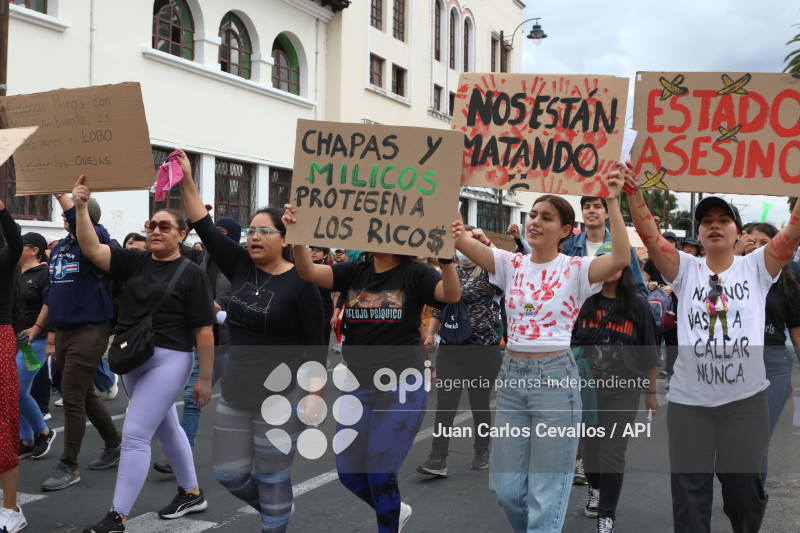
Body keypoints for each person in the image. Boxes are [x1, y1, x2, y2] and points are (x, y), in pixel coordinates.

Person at [452, 166, 631, 533]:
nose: (534, 221)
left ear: (566, 230)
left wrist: (613, 200)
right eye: (532, 214)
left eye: (546, 217)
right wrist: (446, 185)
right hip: (512, 380)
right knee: (506, 490)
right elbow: (458, 237)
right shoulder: (510, 263)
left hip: (555, 380)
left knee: (545, 494)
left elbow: (620, 260)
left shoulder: (577, 269)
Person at [624, 171, 800, 532]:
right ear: (700, 233)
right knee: (690, 495)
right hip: (691, 406)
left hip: (745, 405)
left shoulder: (757, 267)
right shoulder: (685, 269)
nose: (714, 226)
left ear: (738, 232)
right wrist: (632, 191)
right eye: (707, 222)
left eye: (723, 221)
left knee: (743, 495)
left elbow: (793, 233)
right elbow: (651, 238)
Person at [283, 204, 460, 533]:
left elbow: (449, 294)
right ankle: (395, 509)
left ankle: (387, 524)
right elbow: (308, 272)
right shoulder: (354, 271)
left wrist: (447, 259)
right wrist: (297, 236)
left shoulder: (415, 274)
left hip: (401, 386)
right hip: (357, 386)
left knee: (381, 472)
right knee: (350, 474)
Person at [177, 152, 326, 533]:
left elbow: (316, 346)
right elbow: (205, 227)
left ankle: (275, 519)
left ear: (285, 237)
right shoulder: (241, 264)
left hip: (282, 396)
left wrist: (313, 393)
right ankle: (278, 509)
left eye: (264, 231)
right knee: (228, 474)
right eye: (251, 231)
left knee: (274, 478)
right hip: (237, 392)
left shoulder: (303, 284)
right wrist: (187, 179)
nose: (254, 236)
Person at [69, 176, 213, 533]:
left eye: (165, 226)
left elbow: (204, 331)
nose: (155, 231)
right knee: (166, 426)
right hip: (132, 358)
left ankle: (117, 516)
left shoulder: (192, 274)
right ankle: (192, 493)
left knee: (134, 434)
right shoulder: (134, 261)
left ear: (181, 234)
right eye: (151, 225)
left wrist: (206, 380)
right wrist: (81, 208)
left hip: (170, 358)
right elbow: (92, 249)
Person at [26, 194, 122, 492]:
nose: (66, 220)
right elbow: (52, 294)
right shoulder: (60, 249)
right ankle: (114, 443)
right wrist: (40, 328)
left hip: (91, 329)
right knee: (83, 395)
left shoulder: (98, 239)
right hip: (65, 330)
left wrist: (65, 197)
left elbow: (89, 230)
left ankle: (69, 465)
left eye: (72, 216)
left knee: (70, 396)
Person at [570, 242, 659, 533]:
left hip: (625, 389)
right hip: (589, 390)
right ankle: (595, 489)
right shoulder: (584, 303)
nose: (609, 267)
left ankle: (606, 513)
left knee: (612, 452)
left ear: (624, 267)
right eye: (602, 261)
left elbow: (649, 351)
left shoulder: (638, 305)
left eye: (614, 261)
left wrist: (651, 392)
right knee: (591, 450)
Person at [154, 216, 240, 475]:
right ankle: (182, 452)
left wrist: (222, 304)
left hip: (233, 343)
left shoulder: (242, 262)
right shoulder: (198, 258)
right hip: (202, 342)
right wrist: (189, 223)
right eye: (212, 231)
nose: (214, 236)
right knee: (193, 398)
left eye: (221, 232)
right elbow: (175, 244)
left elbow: (247, 292)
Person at [417, 225, 502, 476]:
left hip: (482, 350)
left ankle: (481, 449)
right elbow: (438, 305)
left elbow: (509, 268)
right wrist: (431, 333)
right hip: (452, 349)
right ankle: (438, 457)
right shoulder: (448, 270)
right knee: (445, 404)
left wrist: (485, 242)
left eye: (469, 240)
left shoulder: (490, 272)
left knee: (479, 404)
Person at [742, 223, 800, 483]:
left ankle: (752, 496)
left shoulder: (788, 283)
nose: (757, 247)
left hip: (774, 366)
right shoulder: (719, 278)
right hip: (733, 365)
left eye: (765, 242)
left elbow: (797, 335)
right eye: (750, 241)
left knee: (757, 435)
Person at [16, 232, 57, 461]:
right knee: (13, 391)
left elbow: (51, 305)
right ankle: (27, 441)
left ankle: (45, 432)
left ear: (35, 250)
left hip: (36, 340)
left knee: (18, 389)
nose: (16, 248)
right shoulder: (15, 273)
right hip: (15, 338)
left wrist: (48, 337)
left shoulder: (44, 274)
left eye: (21, 245)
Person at [0, 198, 25, 533]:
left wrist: (2, 209)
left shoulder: (4, 259)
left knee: (3, 425)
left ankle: (11, 509)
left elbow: (16, 242)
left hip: (1, 338)